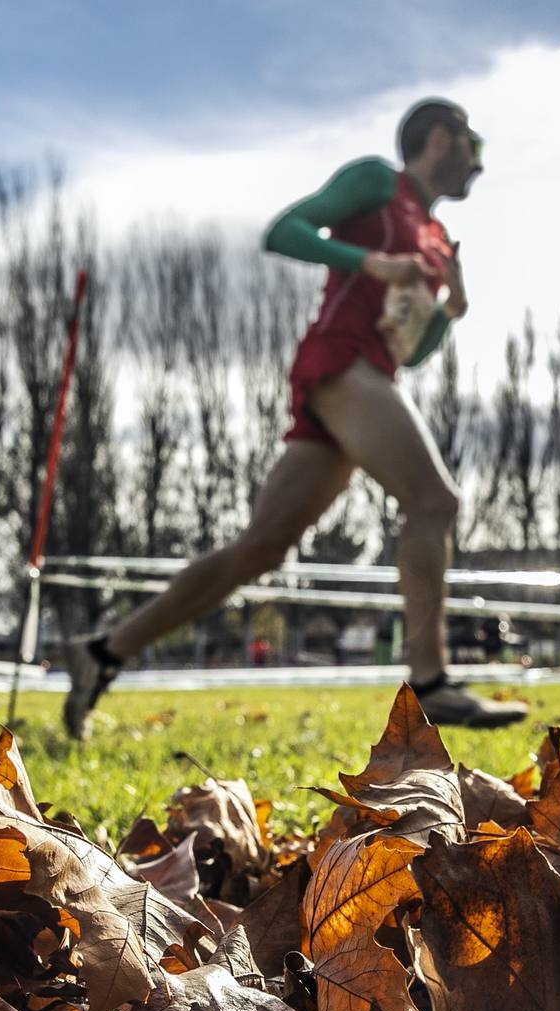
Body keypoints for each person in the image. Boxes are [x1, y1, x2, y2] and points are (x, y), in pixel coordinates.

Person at [62, 97, 529, 740]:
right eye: (473, 145)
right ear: (442, 137)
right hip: (338, 366)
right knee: (436, 502)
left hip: (373, 377)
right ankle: (431, 683)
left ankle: (102, 651)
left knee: (259, 550)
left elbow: (411, 350)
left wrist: (452, 307)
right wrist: (367, 261)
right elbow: (285, 231)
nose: (479, 163)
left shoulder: (436, 236)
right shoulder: (377, 183)